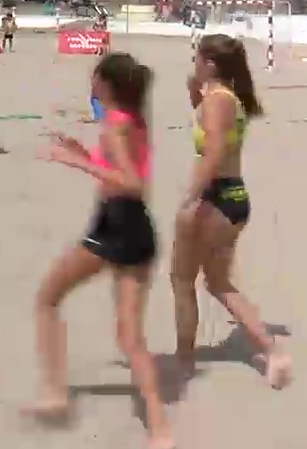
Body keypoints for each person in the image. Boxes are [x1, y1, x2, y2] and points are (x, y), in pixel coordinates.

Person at [26, 53, 172, 449]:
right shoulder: (132, 120)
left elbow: (130, 183)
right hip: (136, 229)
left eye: (93, 77)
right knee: (130, 339)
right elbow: (128, 173)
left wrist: (77, 163)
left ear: (105, 84)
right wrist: (86, 153)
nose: (88, 82)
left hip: (115, 228)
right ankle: (159, 430)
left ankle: (56, 393)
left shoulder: (115, 125)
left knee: (47, 299)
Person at [173, 34, 291, 390]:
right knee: (218, 283)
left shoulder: (218, 102)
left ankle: (183, 361)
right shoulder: (225, 98)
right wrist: (194, 90)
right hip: (233, 197)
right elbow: (208, 121)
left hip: (214, 198)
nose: (193, 61)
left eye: (198, 57)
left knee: (181, 280)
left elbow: (211, 154)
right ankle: (272, 353)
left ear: (210, 63)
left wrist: (190, 199)